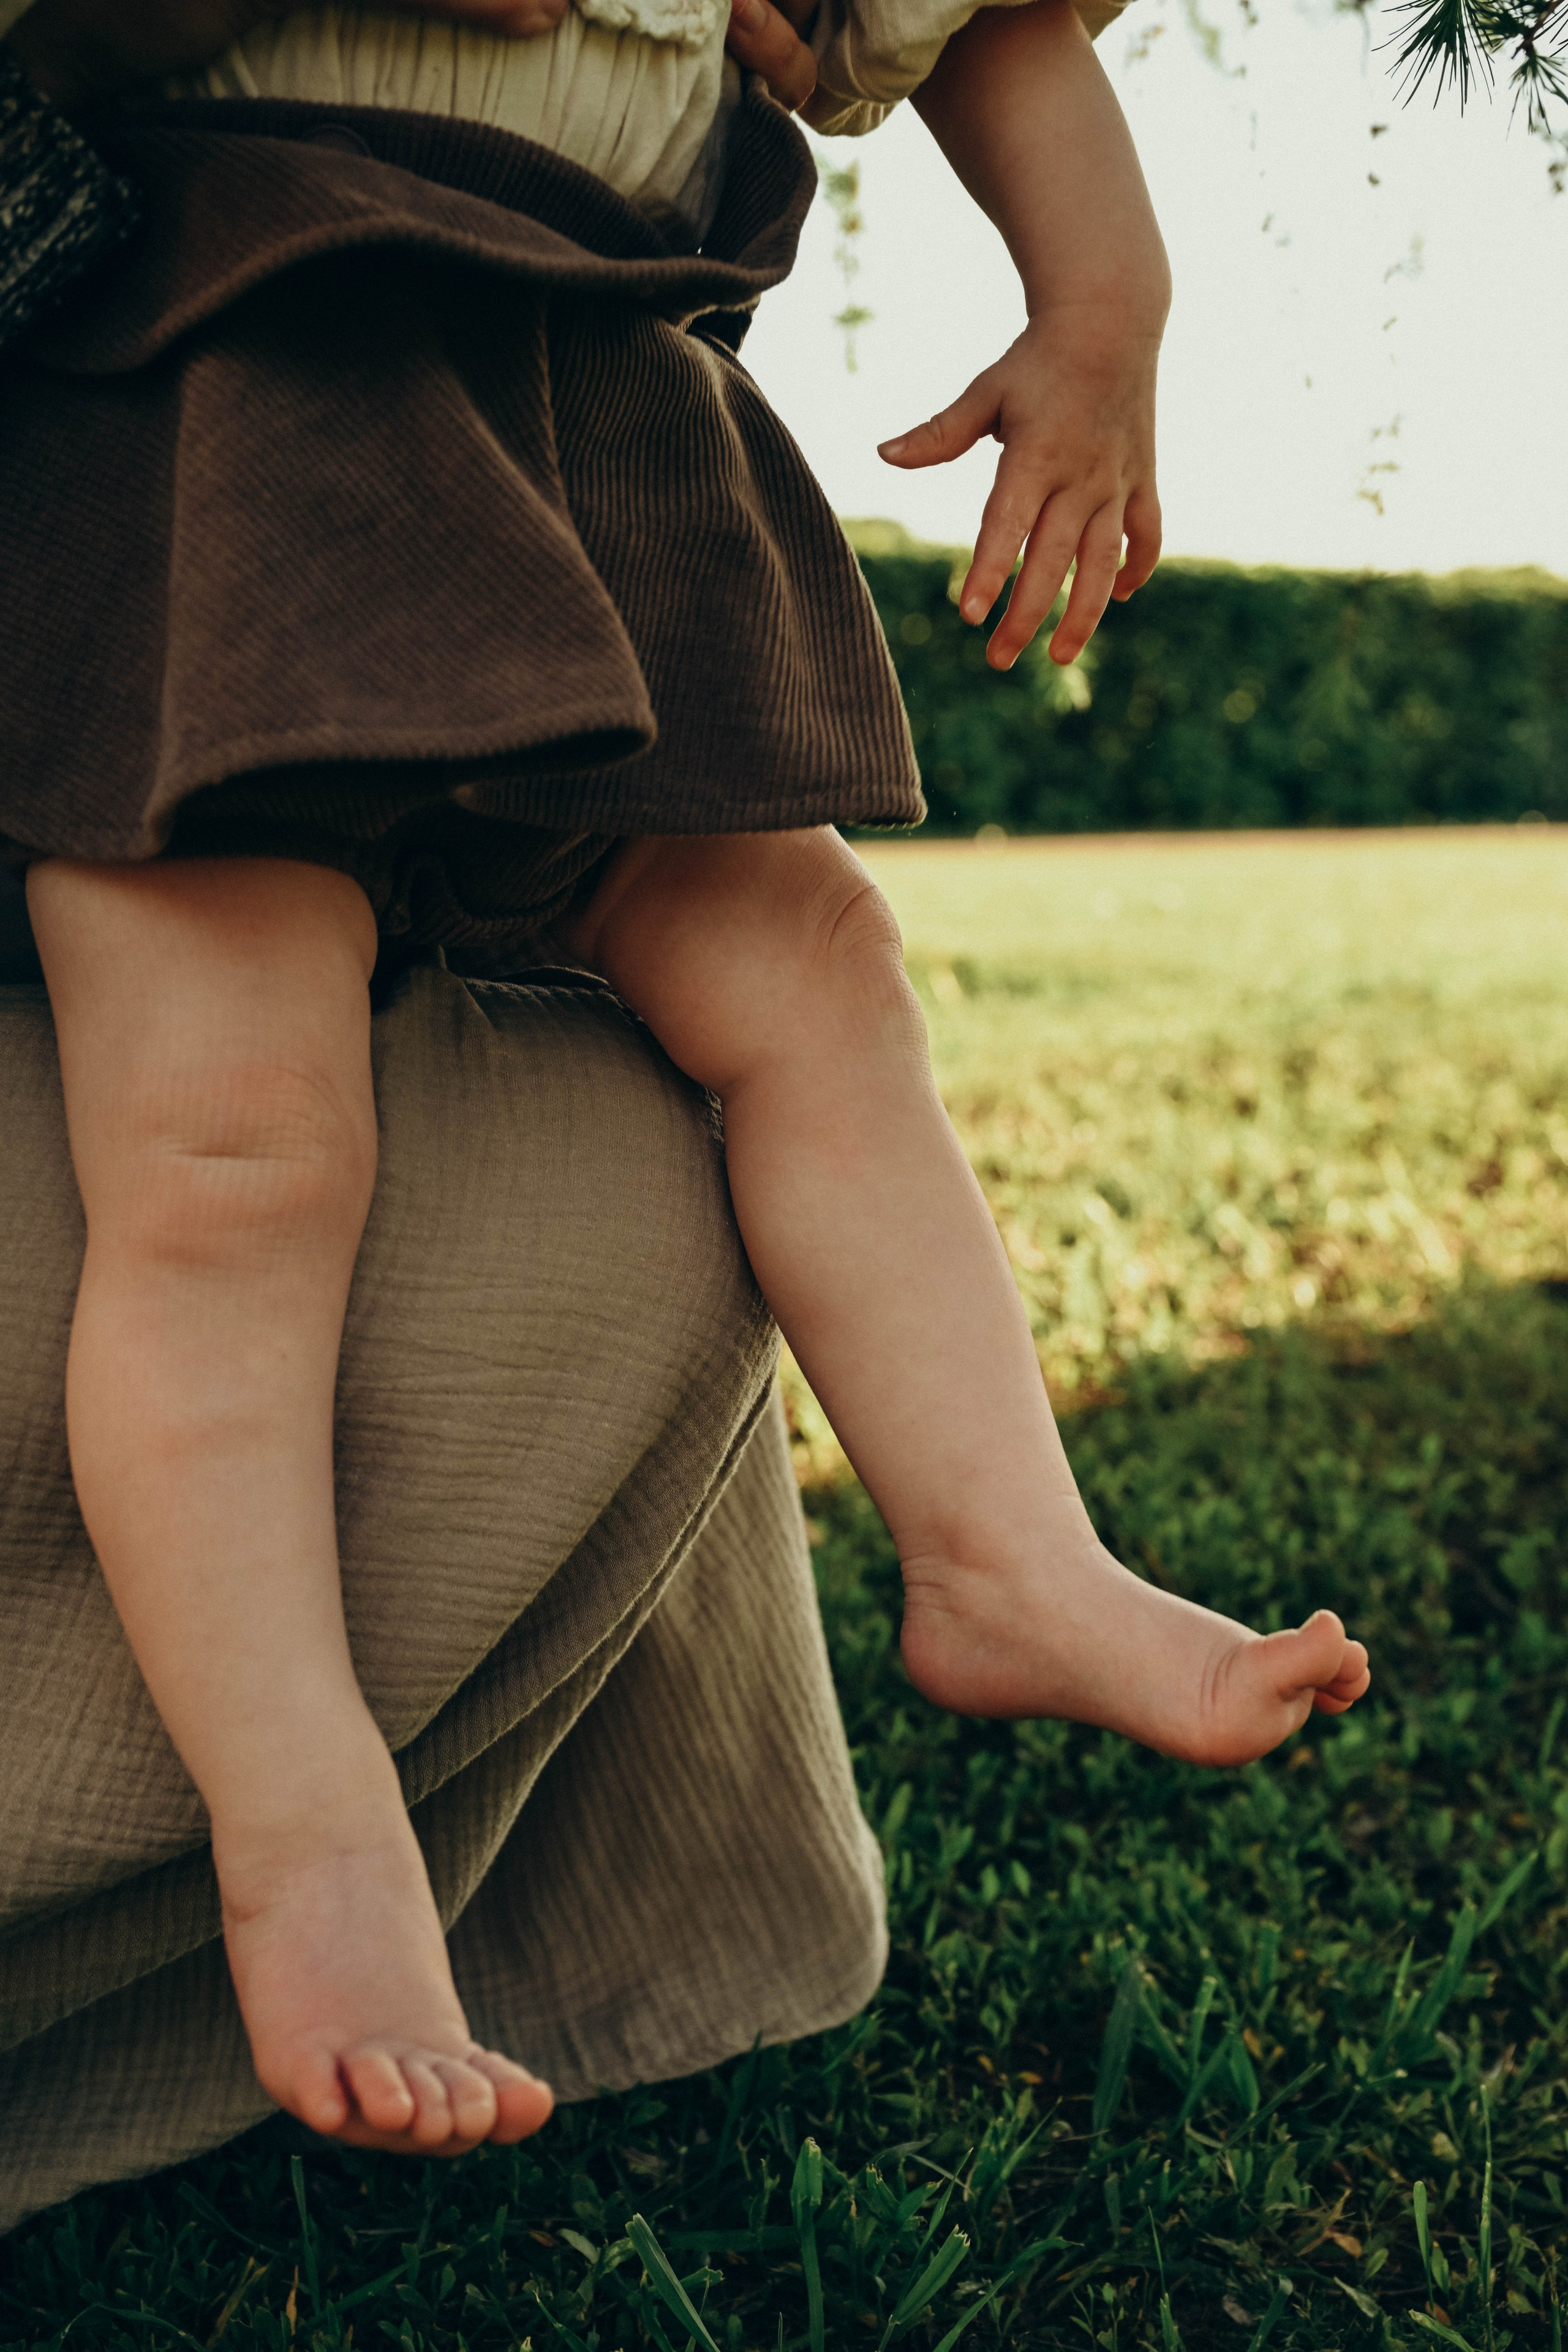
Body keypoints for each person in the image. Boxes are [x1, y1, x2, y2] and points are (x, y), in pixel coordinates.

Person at [1, 0, 1369, 2165]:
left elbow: (976, 20)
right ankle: (312, 1840)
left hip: (591, 392)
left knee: (813, 962)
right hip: (223, 378)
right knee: (235, 1151)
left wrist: (1104, 313)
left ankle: (1004, 1551)